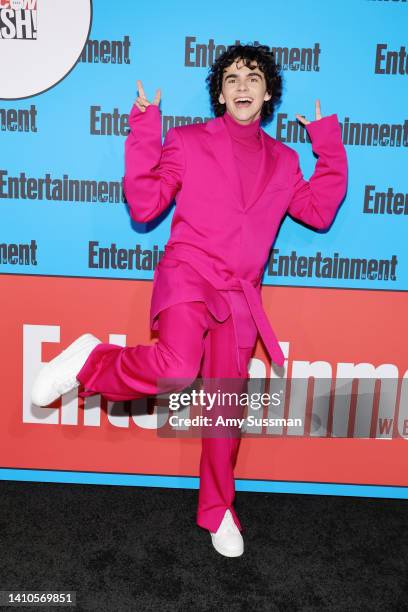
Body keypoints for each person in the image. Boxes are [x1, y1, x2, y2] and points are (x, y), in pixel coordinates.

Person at [31, 44, 348, 558]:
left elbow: (318, 211)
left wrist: (328, 149)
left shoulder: (287, 161)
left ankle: (218, 507)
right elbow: (145, 203)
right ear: (219, 94)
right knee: (177, 367)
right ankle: (90, 360)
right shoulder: (185, 140)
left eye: (253, 78)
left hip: (241, 296)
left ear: (268, 94)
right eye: (231, 78)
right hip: (188, 274)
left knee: (223, 410)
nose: (242, 86)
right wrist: (143, 131)